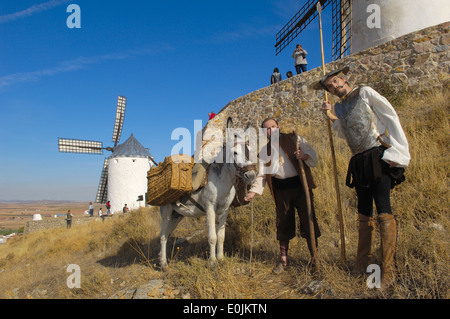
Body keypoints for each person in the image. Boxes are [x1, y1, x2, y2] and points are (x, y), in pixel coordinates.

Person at [316, 66, 410, 290]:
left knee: (383, 209)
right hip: (358, 161)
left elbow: (388, 114)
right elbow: (344, 128)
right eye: (329, 86)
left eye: (336, 82)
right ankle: (362, 263)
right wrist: (330, 115)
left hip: (376, 155)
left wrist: (397, 151)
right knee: (363, 211)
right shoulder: (339, 106)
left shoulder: (364, 92)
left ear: (344, 79)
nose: (334, 87)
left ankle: (388, 270)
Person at [244, 118, 321, 274]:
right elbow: (262, 176)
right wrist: (253, 191)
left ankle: (315, 259)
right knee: (283, 223)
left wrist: (304, 155)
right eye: (267, 129)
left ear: (278, 126)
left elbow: (313, 156)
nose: (271, 130)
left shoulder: (295, 139)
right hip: (281, 191)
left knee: (308, 220)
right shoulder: (265, 152)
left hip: (301, 187)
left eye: (273, 127)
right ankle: (283, 260)